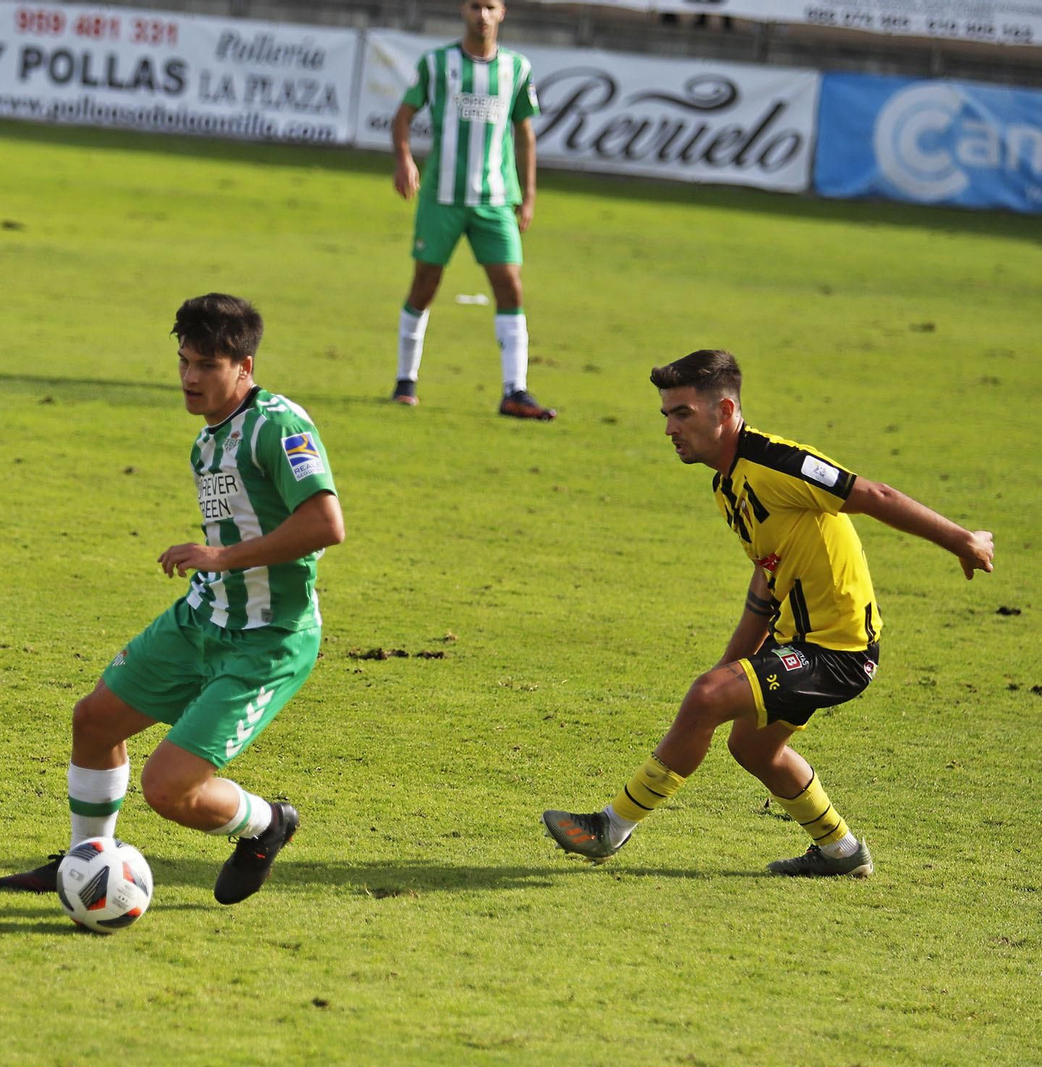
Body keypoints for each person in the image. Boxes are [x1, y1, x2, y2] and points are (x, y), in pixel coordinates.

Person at [544, 350, 992, 876]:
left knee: (707, 700)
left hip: (839, 649)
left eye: (681, 413)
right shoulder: (726, 485)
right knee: (754, 748)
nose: (669, 427)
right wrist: (730, 664)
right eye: (665, 414)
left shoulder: (777, 462)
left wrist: (961, 540)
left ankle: (610, 827)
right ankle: (841, 853)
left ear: (724, 409)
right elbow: (767, 581)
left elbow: (873, 494)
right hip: (798, 642)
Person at [0, 294, 343, 904]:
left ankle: (267, 825)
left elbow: (324, 524)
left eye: (208, 365)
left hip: (266, 641)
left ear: (245, 366)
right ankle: (86, 858)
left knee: (169, 791)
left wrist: (220, 558)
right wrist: (217, 571)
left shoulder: (279, 425)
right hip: (201, 618)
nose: (189, 377)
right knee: (94, 721)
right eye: (184, 361)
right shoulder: (208, 439)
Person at [389, 0, 555, 420]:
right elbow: (402, 117)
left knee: (510, 286)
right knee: (425, 284)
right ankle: (405, 380)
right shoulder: (436, 63)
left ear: (502, 13)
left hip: (495, 200)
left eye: (490, 6)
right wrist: (404, 160)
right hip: (442, 198)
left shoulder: (517, 68)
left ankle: (514, 390)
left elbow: (525, 134)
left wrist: (528, 194)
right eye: (474, 5)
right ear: (462, 11)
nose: (482, 14)